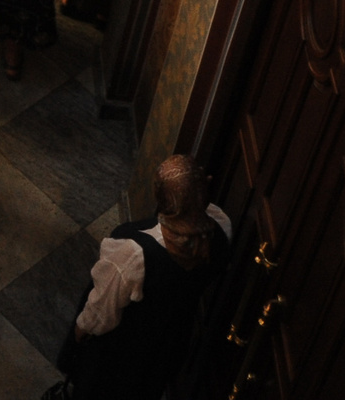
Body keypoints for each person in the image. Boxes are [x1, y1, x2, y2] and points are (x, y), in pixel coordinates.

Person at [60, 156, 234, 397]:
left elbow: (102, 313)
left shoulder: (134, 253)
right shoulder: (223, 227)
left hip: (120, 355)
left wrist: (80, 333)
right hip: (167, 348)